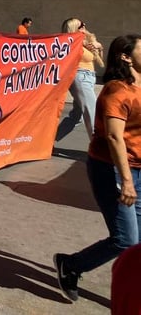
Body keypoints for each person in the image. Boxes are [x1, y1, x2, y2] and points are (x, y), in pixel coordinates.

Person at [54, 34, 141, 303]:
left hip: (138, 169)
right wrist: (126, 181)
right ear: (126, 57)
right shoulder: (117, 91)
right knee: (126, 240)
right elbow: (115, 138)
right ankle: (72, 265)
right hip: (113, 170)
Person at [56, 18, 104, 140]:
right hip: (80, 77)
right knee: (91, 112)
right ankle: (98, 148)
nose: (84, 25)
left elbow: (99, 60)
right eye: (81, 25)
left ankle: (47, 141)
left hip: (89, 77)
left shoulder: (85, 42)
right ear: (73, 29)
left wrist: (99, 46)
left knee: (77, 116)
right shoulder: (71, 44)